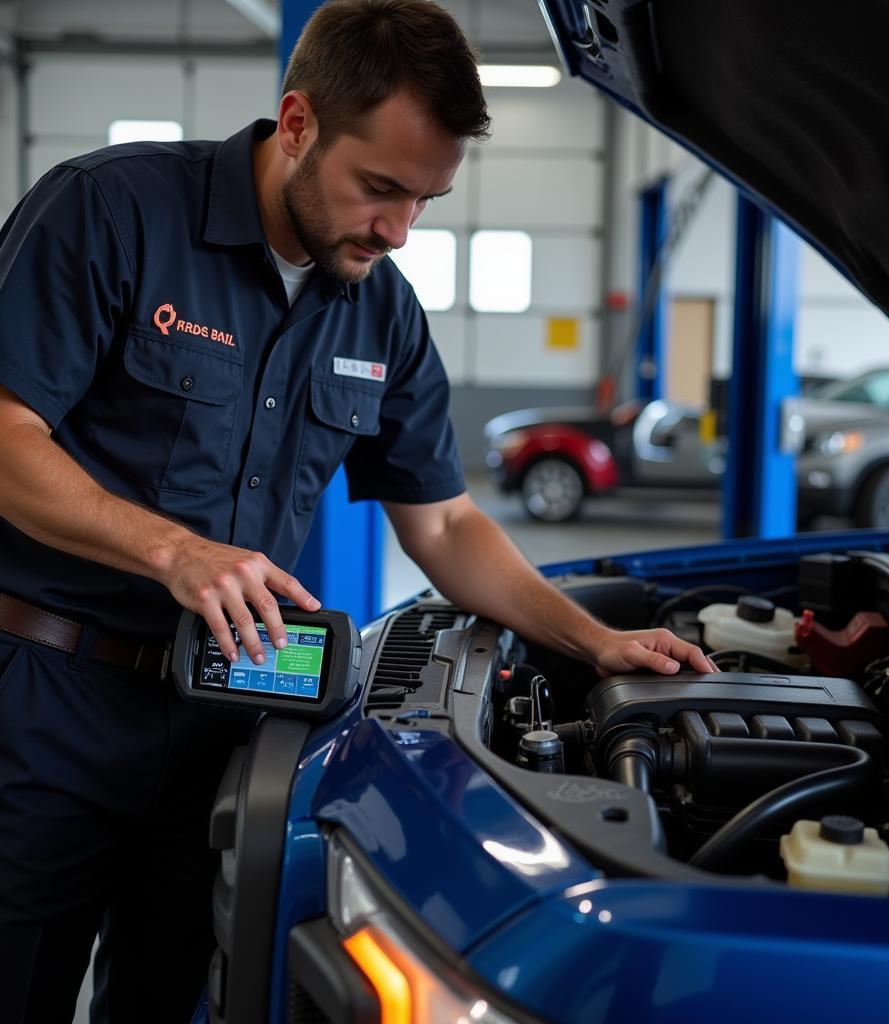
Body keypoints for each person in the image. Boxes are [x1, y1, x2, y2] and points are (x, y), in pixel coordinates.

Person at [0, 1, 715, 1020]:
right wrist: (174, 551)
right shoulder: (111, 213)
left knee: (165, 998)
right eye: (378, 188)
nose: (397, 229)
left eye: (425, 199)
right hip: (46, 703)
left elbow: (446, 524)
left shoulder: (383, 310)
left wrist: (594, 640)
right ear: (296, 124)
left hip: (222, 719)